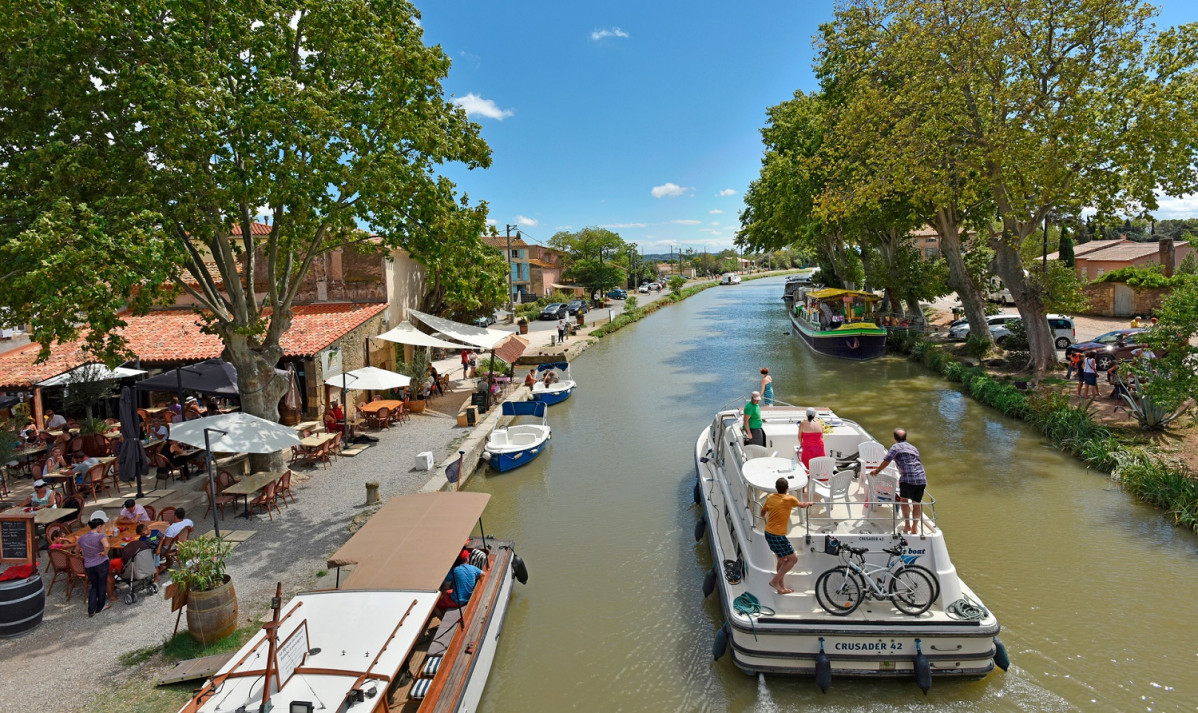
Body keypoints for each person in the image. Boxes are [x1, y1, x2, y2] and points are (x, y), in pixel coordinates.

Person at [870, 429, 928, 535]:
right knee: (916, 503)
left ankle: (907, 526)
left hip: (907, 478)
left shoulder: (895, 447)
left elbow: (887, 460)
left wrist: (877, 470)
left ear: (895, 438)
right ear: (906, 437)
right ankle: (915, 528)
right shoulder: (913, 448)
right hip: (921, 478)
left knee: (904, 501)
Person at [760, 477, 812, 595]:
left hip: (768, 533)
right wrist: (810, 503)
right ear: (787, 488)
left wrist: (764, 518)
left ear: (776, 488)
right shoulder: (790, 499)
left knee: (782, 559)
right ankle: (774, 581)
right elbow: (802, 505)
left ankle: (781, 588)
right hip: (777, 536)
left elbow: (763, 512)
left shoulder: (770, 497)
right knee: (794, 558)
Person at [78, 512, 112, 616]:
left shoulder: (82, 538)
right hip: (101, 563)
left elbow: (77, 550)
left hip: (89, 565)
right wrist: (105, 553)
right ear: (99, 526)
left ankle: (91, 608)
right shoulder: (100, 536)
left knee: (94, 586)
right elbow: (107, 546)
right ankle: (100, 606)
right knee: (102, 585)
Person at [434, 549, 485, 618]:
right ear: (467, 559)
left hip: (457, 601)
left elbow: (446, 586)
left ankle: (443, 618)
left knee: (435, 604)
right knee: (449, 591)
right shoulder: (473, 568)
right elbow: (483, 574)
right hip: (469, 597)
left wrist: (442, 594)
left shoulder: (454, 570)